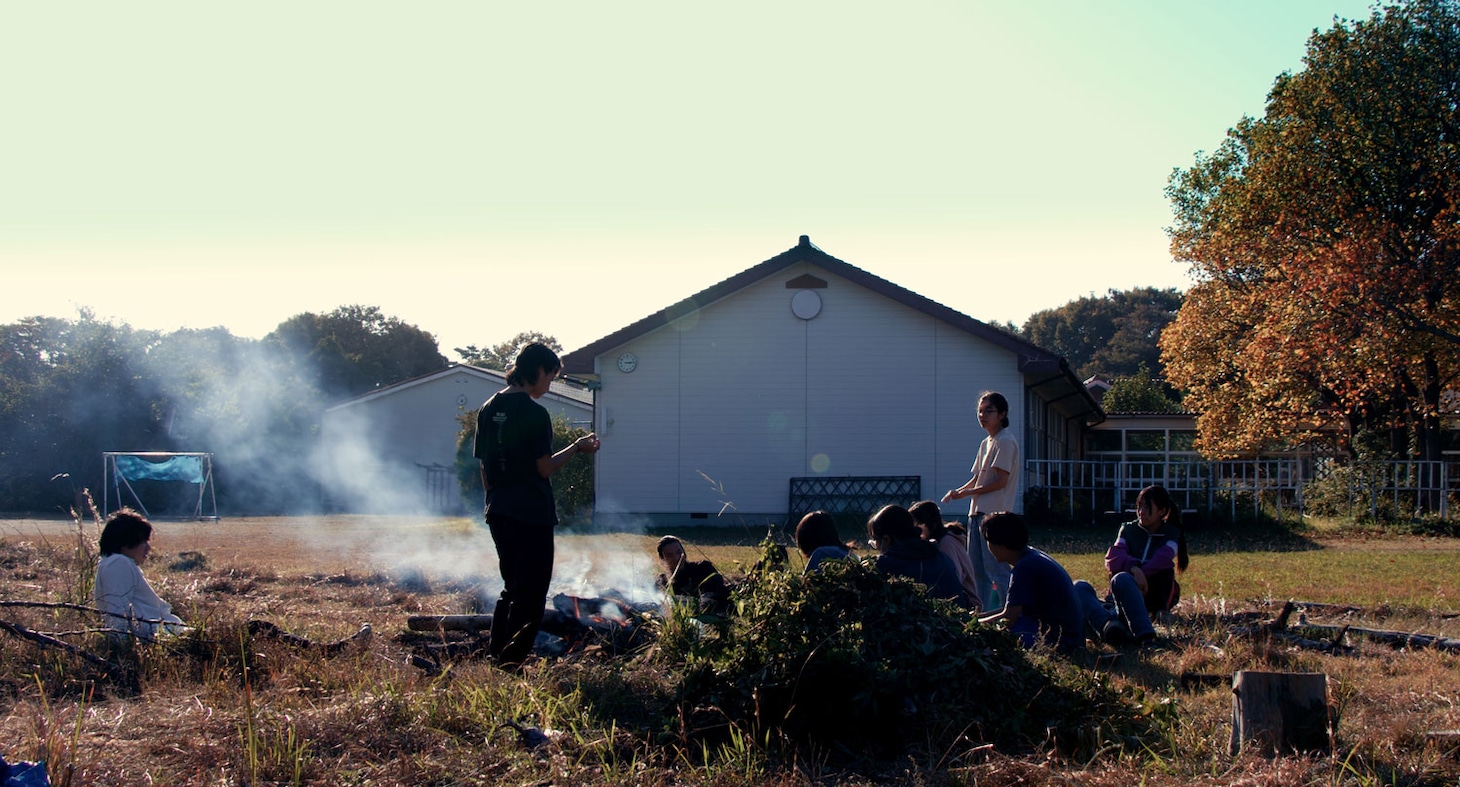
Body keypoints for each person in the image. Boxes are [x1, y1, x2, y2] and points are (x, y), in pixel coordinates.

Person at [475, 342, 601, 669]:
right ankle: (511, 664)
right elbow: (543, 468)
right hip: (532, 513)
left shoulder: (488, 408)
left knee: (510, 589)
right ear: (540, 370)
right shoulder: (534, 413)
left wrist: (496, 498)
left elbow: (485, 467)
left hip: (499, 510)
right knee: (531, 596)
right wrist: (576, 447)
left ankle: (496, 655)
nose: (550, 385)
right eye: (551, 377)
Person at [1074, 484, 1190, 647]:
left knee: (1122, 579)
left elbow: (1162, 559)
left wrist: (1135, 577)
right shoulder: (1128, 530)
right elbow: (1113, 556)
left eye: (1147, 507)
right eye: (1139, 506)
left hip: (1148, 598)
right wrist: (1134, 569)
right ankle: (1108, 626)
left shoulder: (1171, 534)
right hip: (1117, 600)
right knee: (1079, 587)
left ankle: (1145, 637)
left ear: (1162, 511)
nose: (1141, 511)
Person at [942, 391, 1020, 612]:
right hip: (977, 513)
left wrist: (967, 494)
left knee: (995, 569)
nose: (983, 415)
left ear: (1002, 413)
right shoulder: (986, 442)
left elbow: (999, 481)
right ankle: (982, 613)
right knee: (975, 569)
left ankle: (1007, 613)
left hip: (995, 515)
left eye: (989, 411)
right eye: (980, 411)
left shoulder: (1005, 441)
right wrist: (959, 491)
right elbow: (978, 477)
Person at [977, 511, 1083, 654]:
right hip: (1072, 635)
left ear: (1000, 545)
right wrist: (981, 617)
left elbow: (1009, 618)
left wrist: (974, 625)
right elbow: (1012, 608)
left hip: (1059, 641)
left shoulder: (1023, 568)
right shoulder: (1032, 557)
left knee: (996, 639)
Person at [94, 508, 186, 640]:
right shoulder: (118, 563)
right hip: (155, 636)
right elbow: (118, 614)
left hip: (159, 632)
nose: (148, 548)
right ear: (125, 544)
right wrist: (123, 648)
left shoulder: (115, 563)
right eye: (143, 542)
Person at [867, 504, 971, 608]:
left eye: (876, 541)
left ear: (886, 540)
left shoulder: (884, 568)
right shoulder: (942, 558)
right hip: (955, 620)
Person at [909, 500, 982, 612]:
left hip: (966, 603)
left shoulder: (946, 544)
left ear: (926, 524)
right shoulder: (945, 538)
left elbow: (953, 577)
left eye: (917, 526)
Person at [655, 535, 731, 614]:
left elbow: (714, 593)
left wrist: (701, 610)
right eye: (670, 555)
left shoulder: (702, 569)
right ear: (662, 559)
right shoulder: (662, 583)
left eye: (679, 552)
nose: (677, 558)